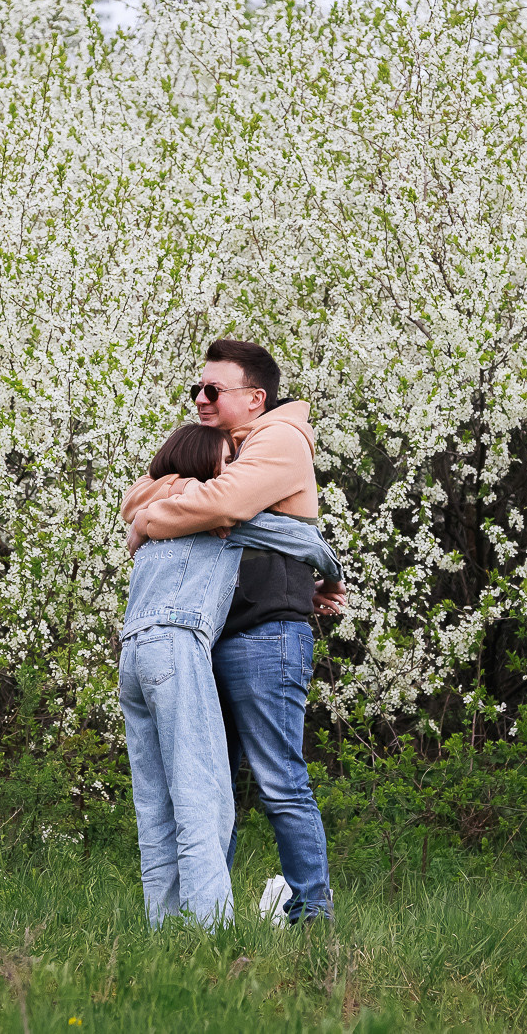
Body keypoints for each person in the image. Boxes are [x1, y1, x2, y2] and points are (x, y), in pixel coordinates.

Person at [124, 339, 344, 925]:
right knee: (208, 785)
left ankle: (310, 913)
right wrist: (161, 500)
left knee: (277, 780)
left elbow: (225, 505)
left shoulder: (279, 440)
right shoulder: (224, 444)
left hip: (266, 632)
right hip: (213, 634)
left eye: (213, 390)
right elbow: (138, 493)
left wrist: (154, 516)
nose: (200, 399)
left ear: (255, 398)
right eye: (196, 389)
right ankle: (204, 918)